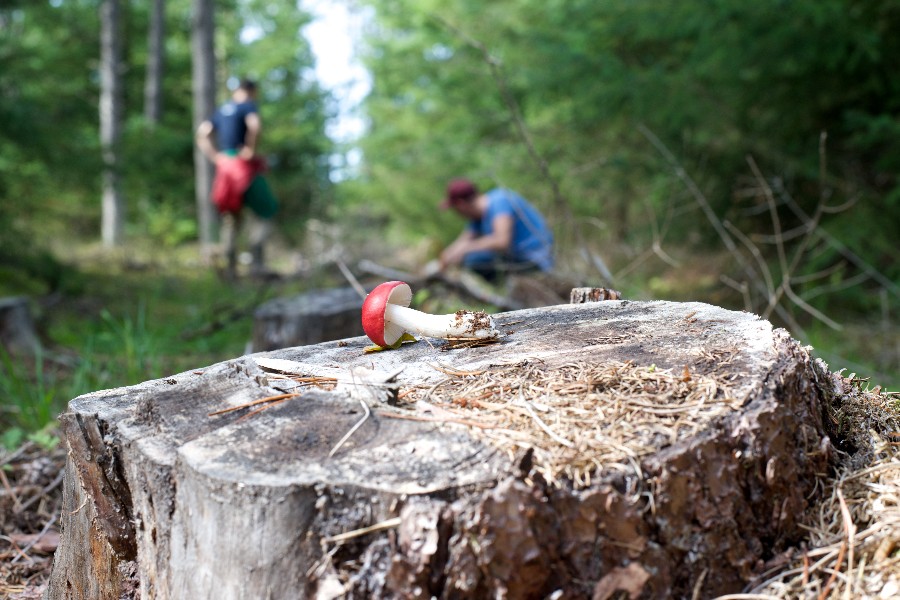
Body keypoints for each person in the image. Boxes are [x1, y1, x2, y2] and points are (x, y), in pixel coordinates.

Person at [196, 79, 279, 279]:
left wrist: (215, 157)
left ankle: (231, 270)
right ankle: (256, 266)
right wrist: (250, 150)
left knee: (232, 218)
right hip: (242, 167)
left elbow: (202, 133)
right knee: (267, 211)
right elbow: (255, 126)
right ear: (251, 91)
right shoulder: (247, 106)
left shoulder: (221, 110)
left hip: (225, 167)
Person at [438, 178, 554, 281]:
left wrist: (466, 248)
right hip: (517, 259)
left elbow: (501, 241)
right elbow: (463, 241)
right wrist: (445, 257)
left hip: (534, 260)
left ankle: (509, 290)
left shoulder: (500, 202)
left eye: (455, 209)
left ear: (461, 204)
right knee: (471, 257)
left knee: (475, 260)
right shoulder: (478, 217)